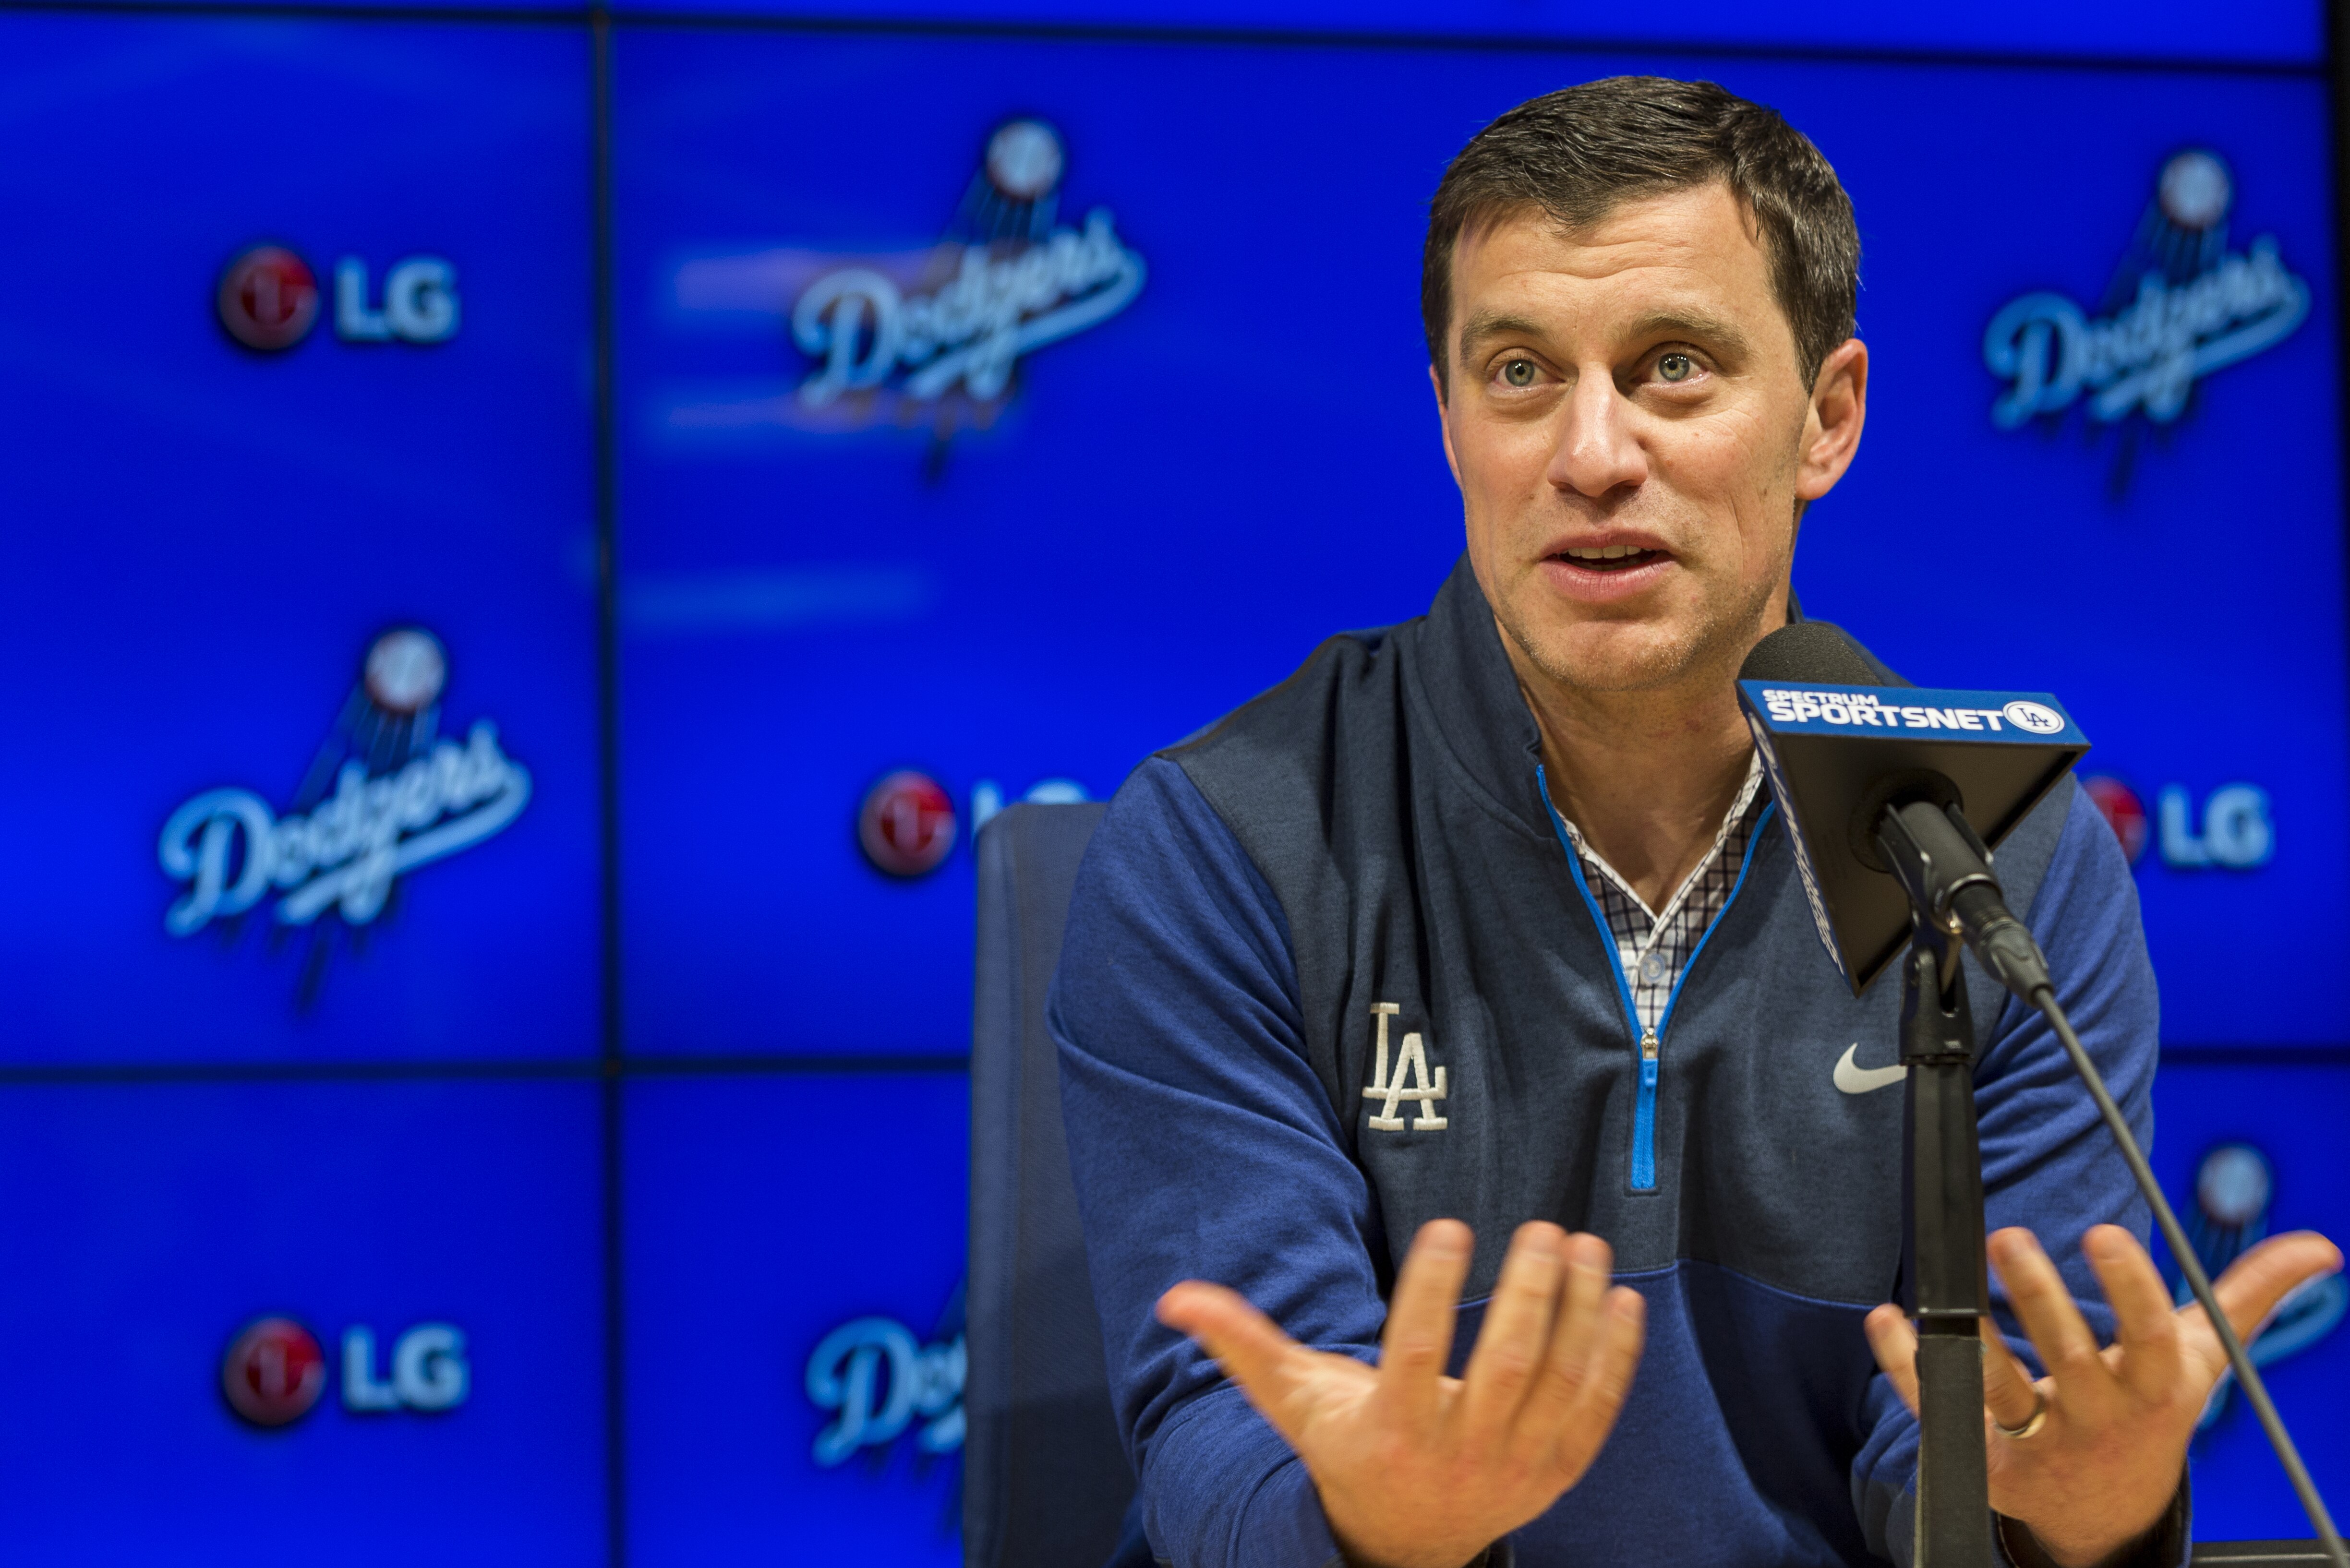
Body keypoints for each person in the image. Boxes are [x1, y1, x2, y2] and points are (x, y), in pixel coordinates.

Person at [1048, 76, 2340, 1568]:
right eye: (1520, 371)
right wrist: (1365, 1512)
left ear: (1828, 416)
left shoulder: (1999, 859)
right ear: (1451, 419)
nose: (1591, 453)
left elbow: (1989, 1439)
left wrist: (2080, 1504)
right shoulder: (1229, 841)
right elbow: (1228, 1429)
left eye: (1671, 366)